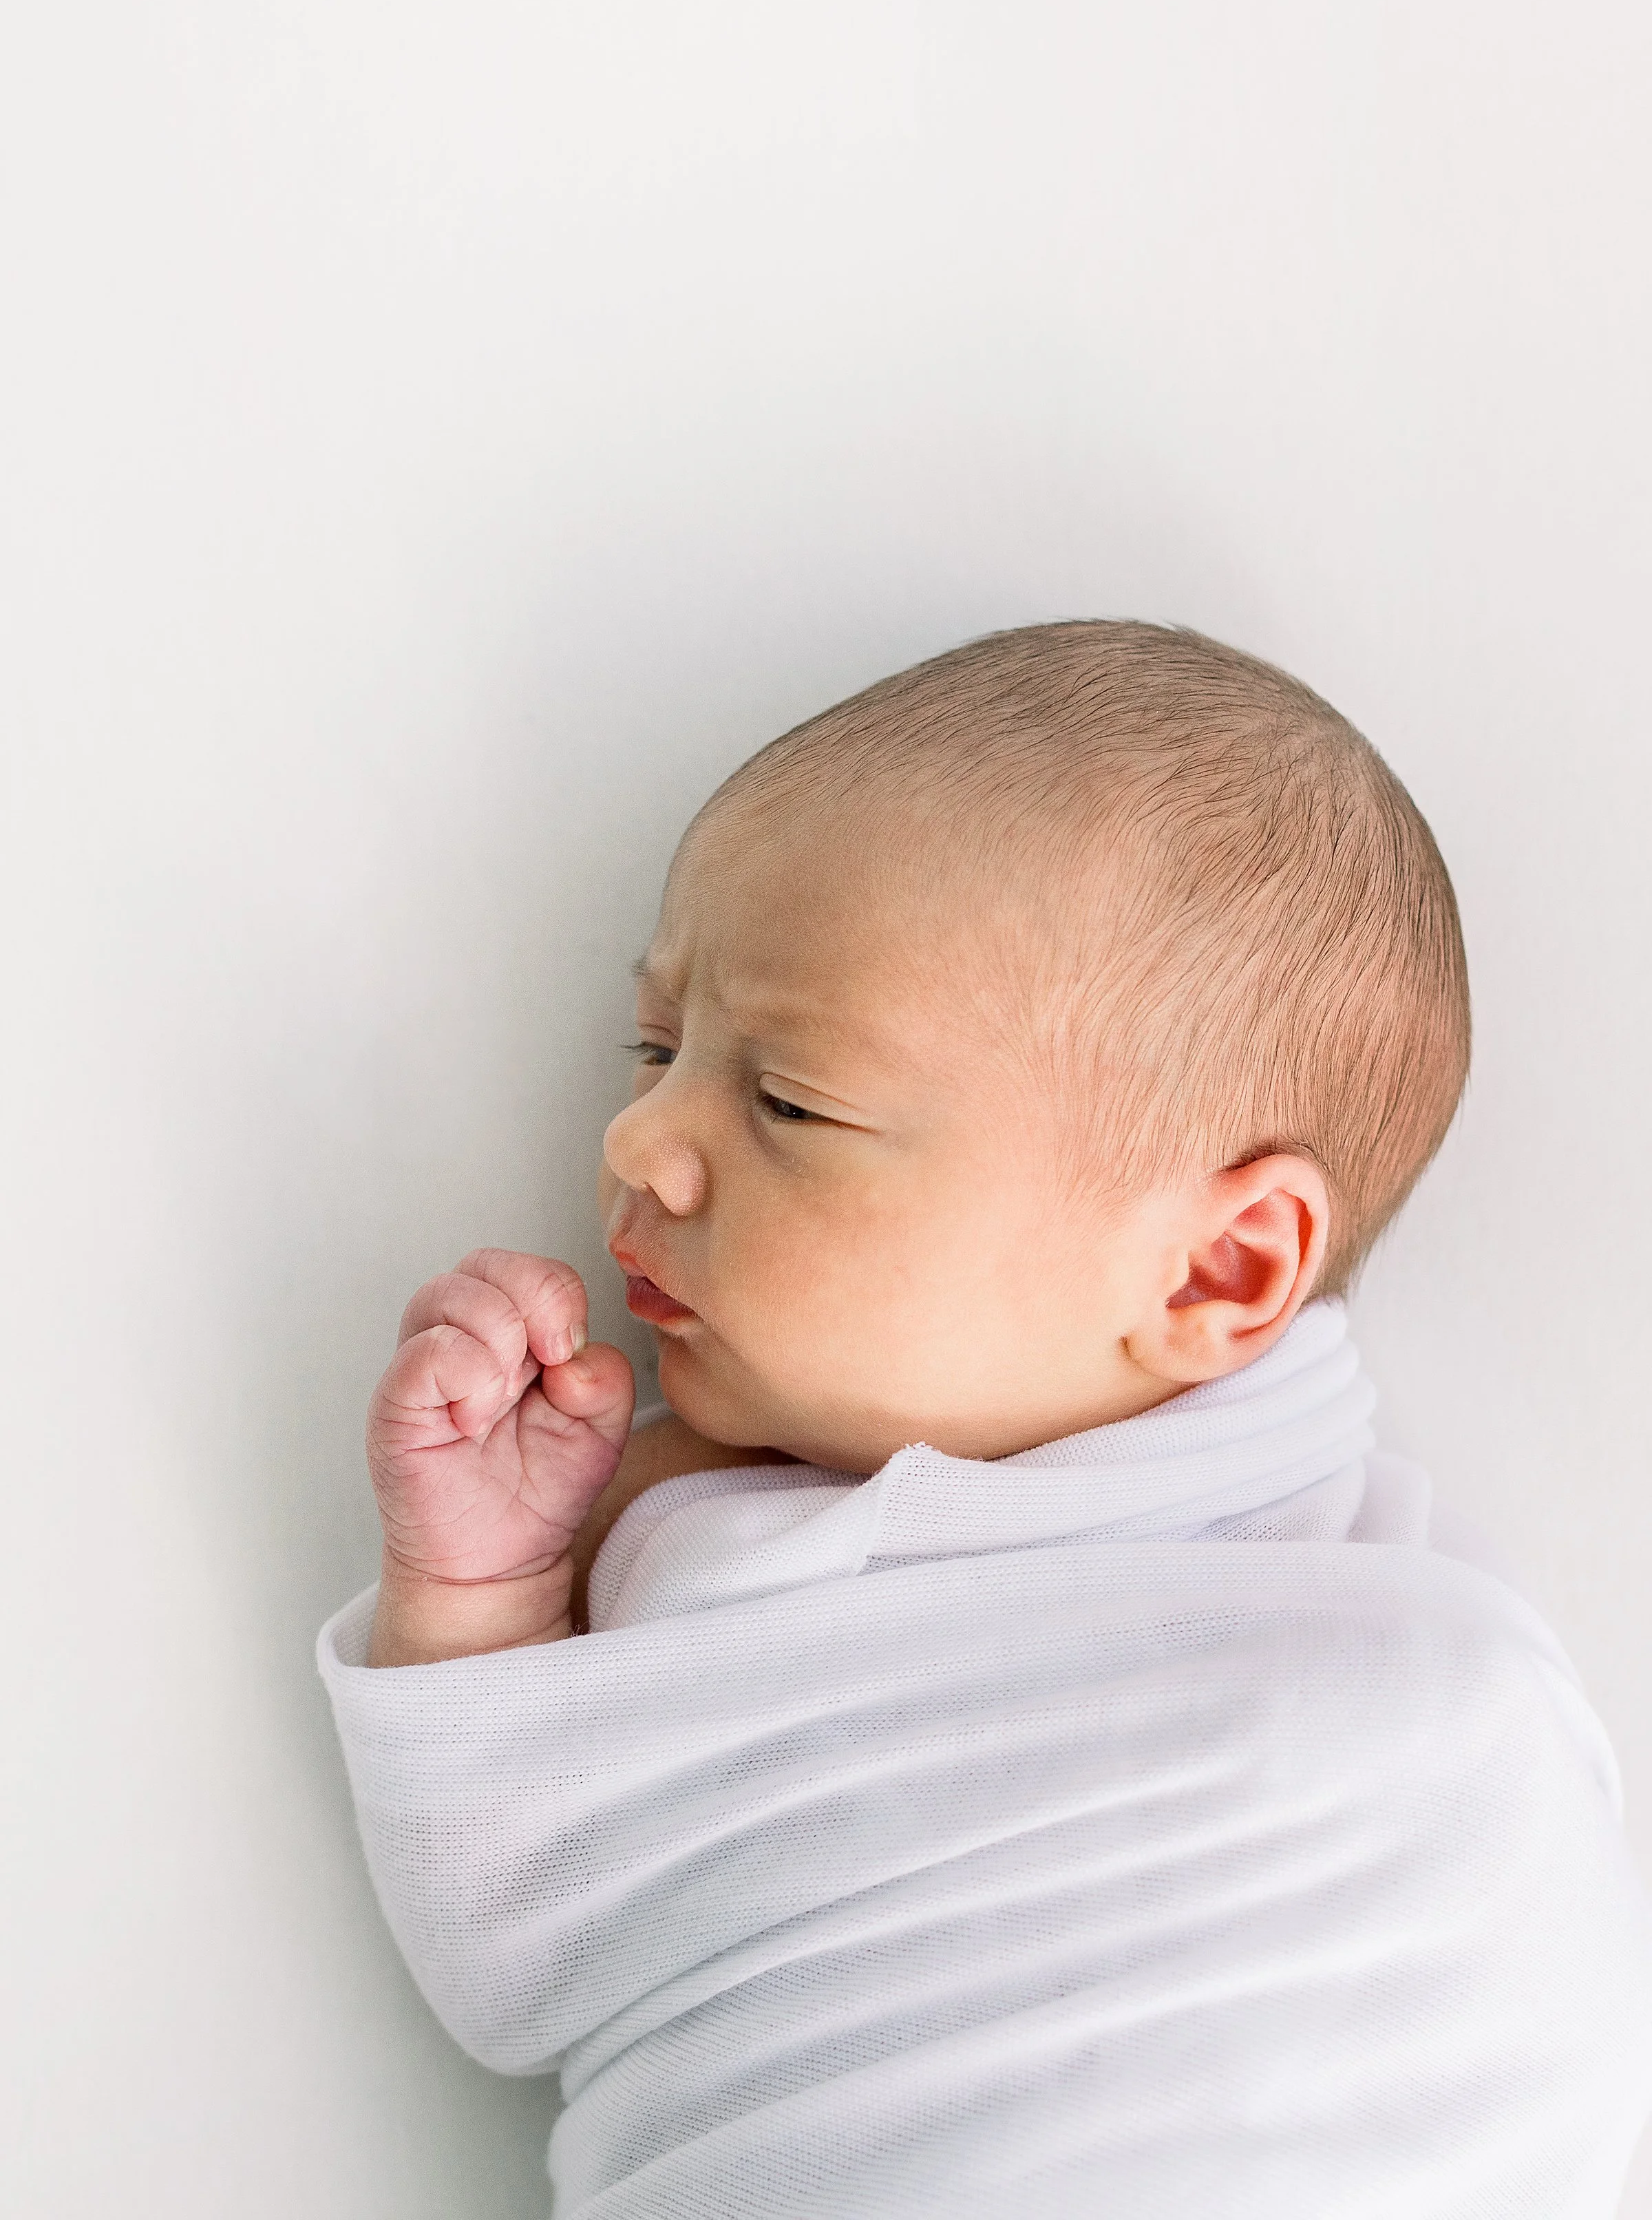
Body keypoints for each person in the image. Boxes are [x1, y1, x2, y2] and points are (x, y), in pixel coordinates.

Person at [319, 620, 1652, 2216]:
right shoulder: (671, 1543)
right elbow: (521, 1961)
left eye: (791, 1101)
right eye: (659, 1046)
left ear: (1222, 1267)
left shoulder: (1386, 1650)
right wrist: (473, 1594)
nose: (638, 1136)